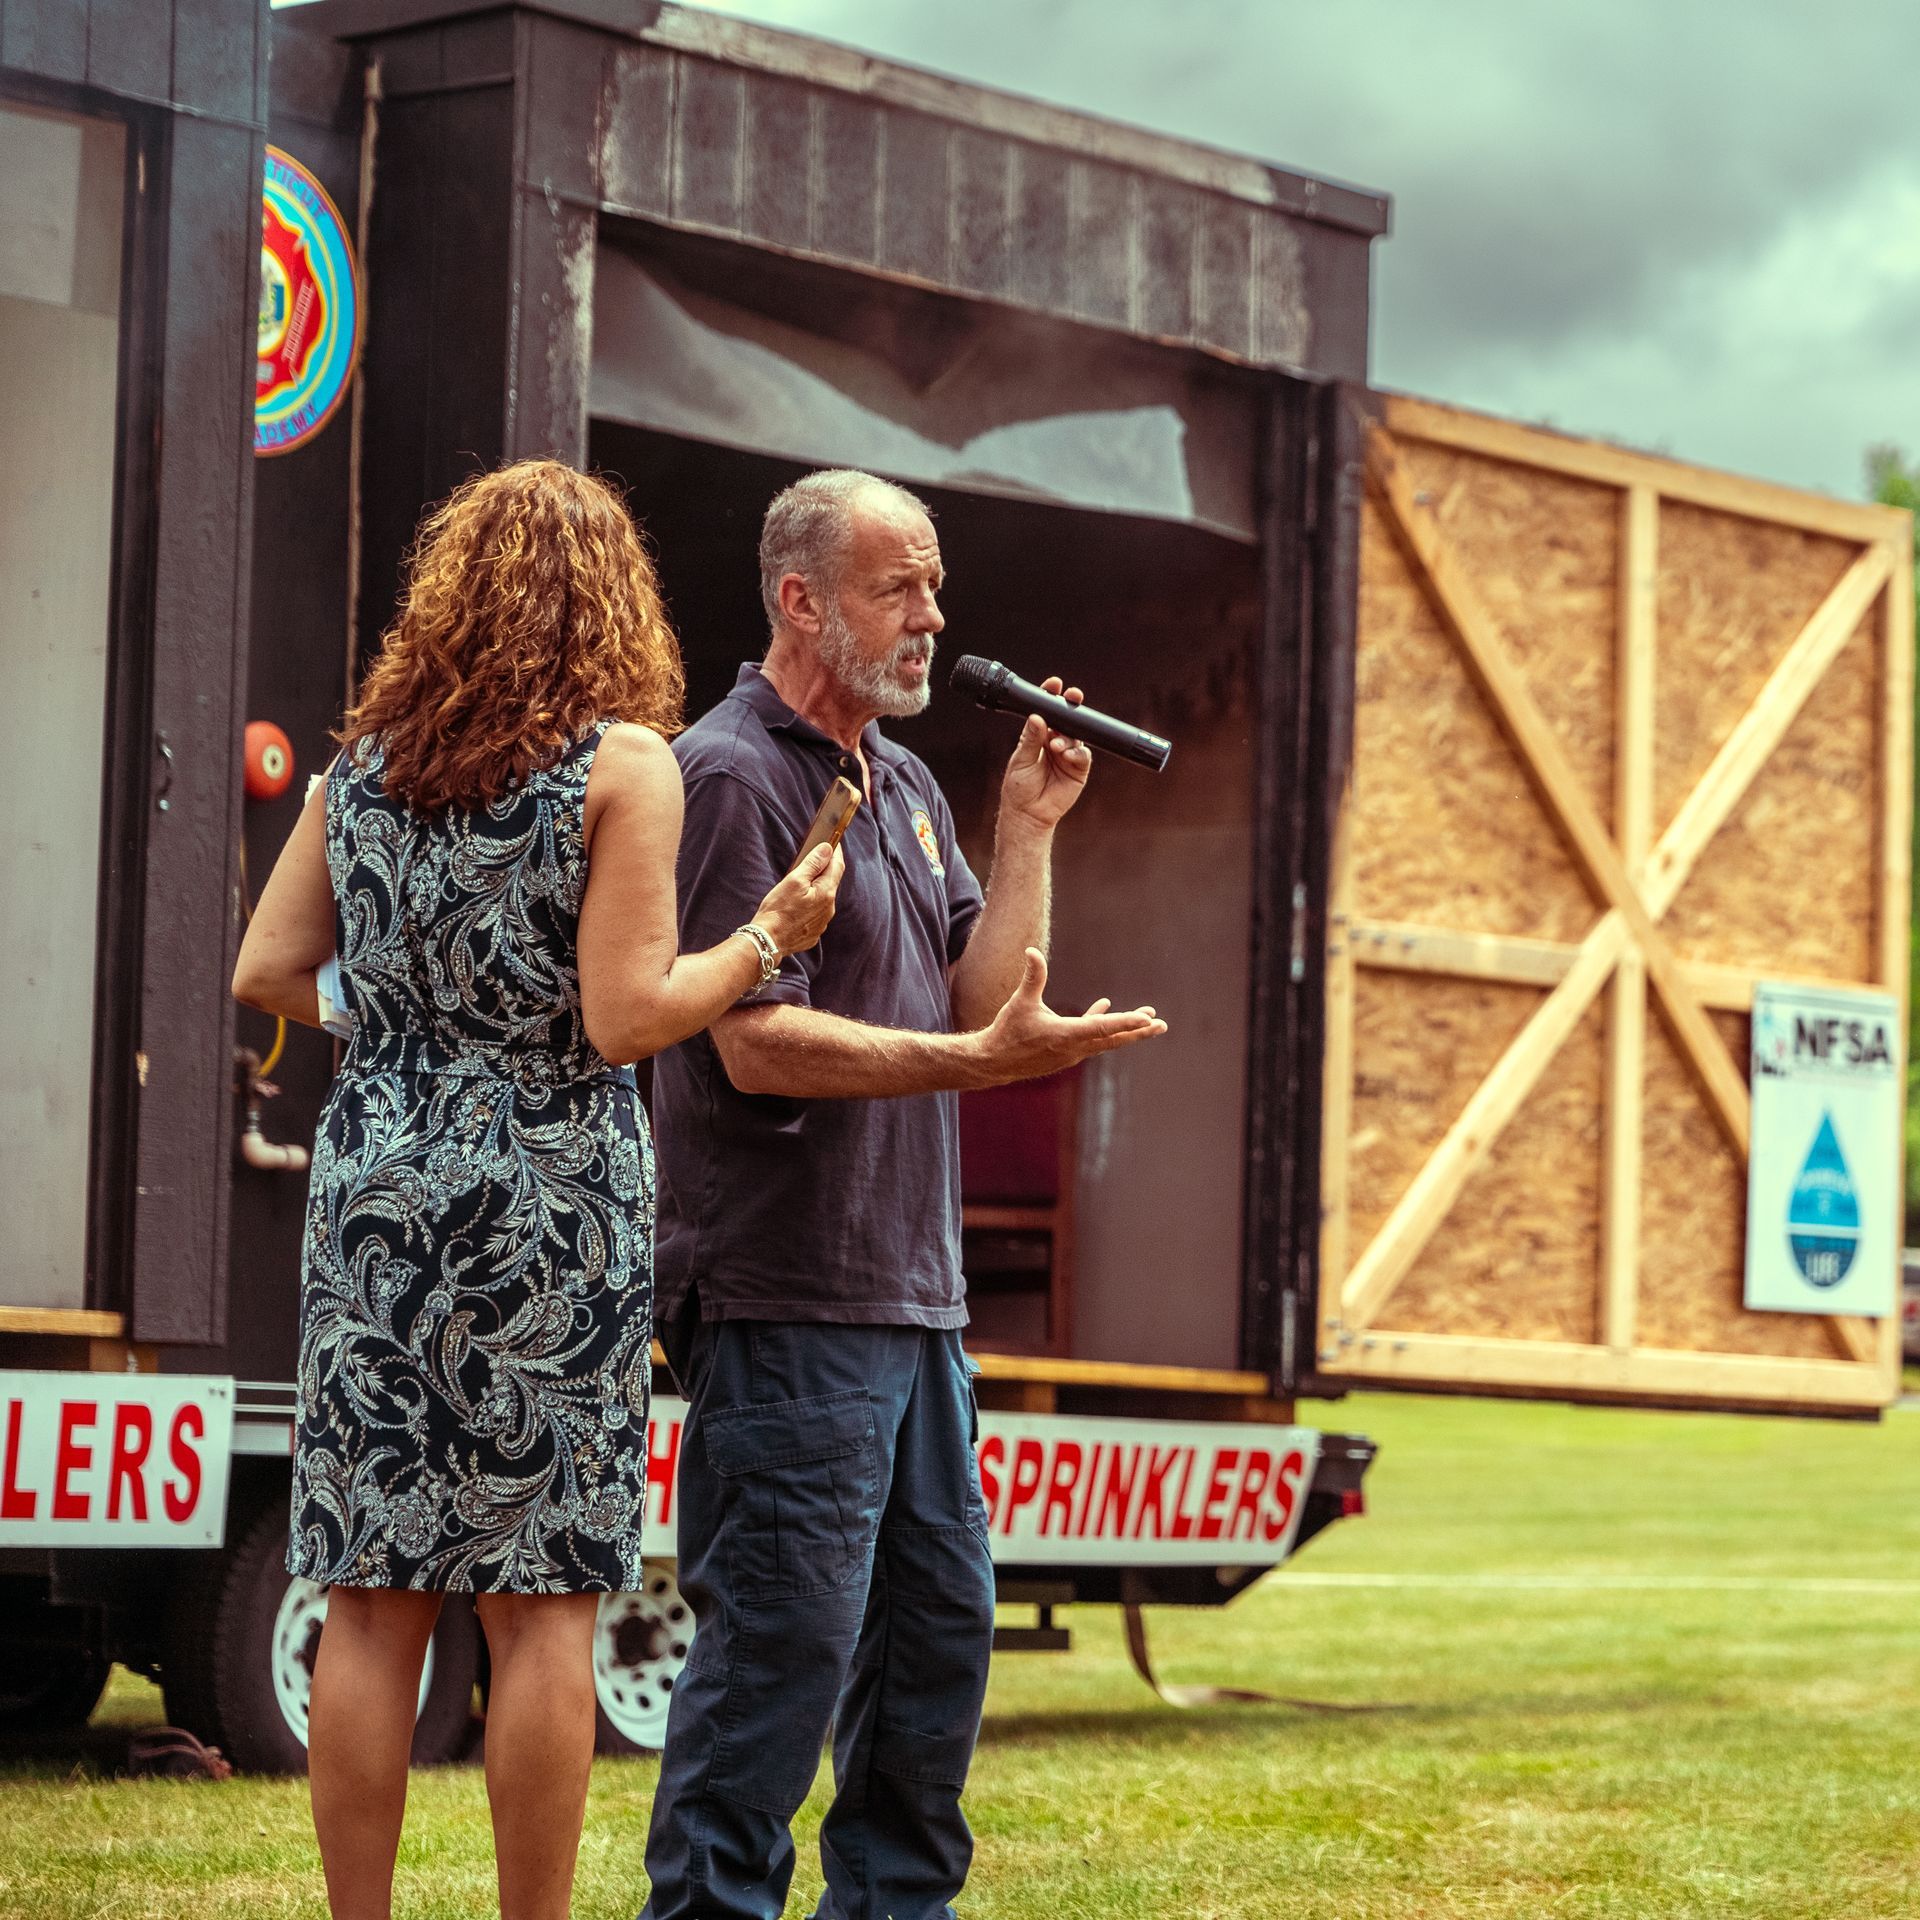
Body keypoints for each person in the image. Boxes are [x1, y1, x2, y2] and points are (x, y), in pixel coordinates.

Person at [231, 459, 842, 1920]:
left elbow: (262, 970)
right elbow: (630, 1015)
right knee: (542, 1603)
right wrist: (766, 939)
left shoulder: (359, 768)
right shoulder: (626, 764)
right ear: (613, 604)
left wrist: (402, 1025)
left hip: (378, 1185)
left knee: (375, 1598)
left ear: (446, 601)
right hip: (546, 1196)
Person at [640, 468, 1168, 1920]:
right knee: (776, 1679)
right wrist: (972, 1056)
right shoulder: (728, 775)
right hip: (785, 1295)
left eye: (936, 587)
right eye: (900, 587)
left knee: (934, 1661)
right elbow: (751, 1048)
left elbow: (973, 996)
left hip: (911, 1306)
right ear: (802, 601)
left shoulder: (916, 780)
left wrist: (1031, 831)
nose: (935, 615)